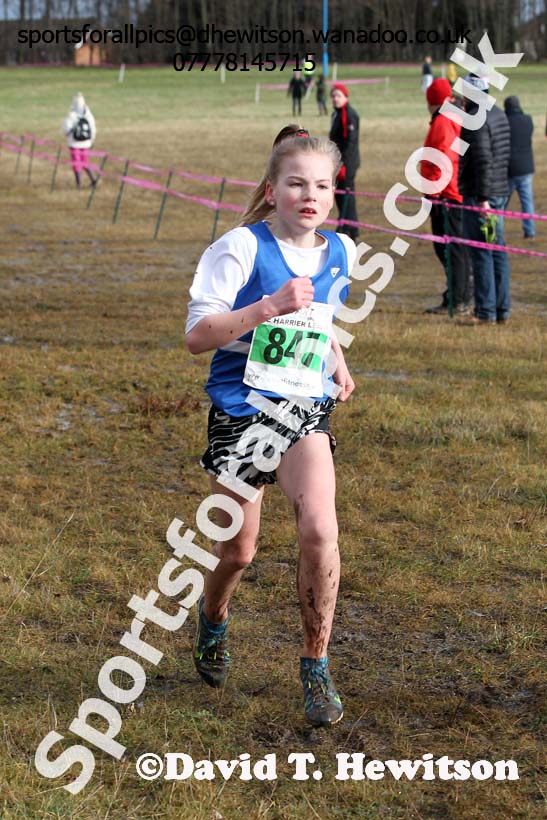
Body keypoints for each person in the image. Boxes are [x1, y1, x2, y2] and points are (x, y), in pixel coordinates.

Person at [185, 124, 357, 728]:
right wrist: (265, 308)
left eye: (321, 185)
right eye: (295, 184)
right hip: (242, 409)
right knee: (239, 550)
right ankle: (212, 620)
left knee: (319, 529)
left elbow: (322, 318)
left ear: (333, 193)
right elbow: (196, 337)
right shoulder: (239, 247)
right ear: (272, 189)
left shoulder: (341, 250)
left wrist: (337, 360)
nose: (309, 195)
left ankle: (315, 667)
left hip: (302, 408)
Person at [458, 74, 511, 325]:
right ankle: (502, 309)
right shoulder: (499, 113)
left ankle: (485, 311)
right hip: (500, 191)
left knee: (481, 253)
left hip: (481, 195)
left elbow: (482, 160)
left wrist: (482, 199)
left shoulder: (474, 120)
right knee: (498, 251)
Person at [422, 78, 473, 315]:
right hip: (452, 192)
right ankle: (458, 293)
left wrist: (434, 193)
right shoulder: (454, 118)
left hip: (446, 196)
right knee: (455, 249)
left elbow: (441, 160)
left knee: (449, 249)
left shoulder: (443, 122)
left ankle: (459, 297)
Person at [329, 83, 360, 241]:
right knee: (340, 197)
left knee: (347, 197)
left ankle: (349, 229)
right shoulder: (336, 114)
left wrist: (344, 166)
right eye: (333, 96)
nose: (335, 99)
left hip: (347, 166)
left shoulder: (349, 115)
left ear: (345, 97)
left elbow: (351, 143)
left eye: (338, 96)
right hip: (338, 164)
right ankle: (346, 226)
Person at [504, 96, 536, 239]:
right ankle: (530, 231)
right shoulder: (528, 120)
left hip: (510, 169)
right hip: (526, 167)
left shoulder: (504, 122)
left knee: (502, 202)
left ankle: (497, 228)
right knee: (527, 202)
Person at [62, 92, 98, 189]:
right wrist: (91, 140)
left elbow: (65, 129)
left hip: (74, 143)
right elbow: (93, 129)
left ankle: (78, 184)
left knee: (76, 163)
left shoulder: (71, 115)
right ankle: (93, 179)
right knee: (85, 161)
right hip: (86, 143)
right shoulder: (89, 115)